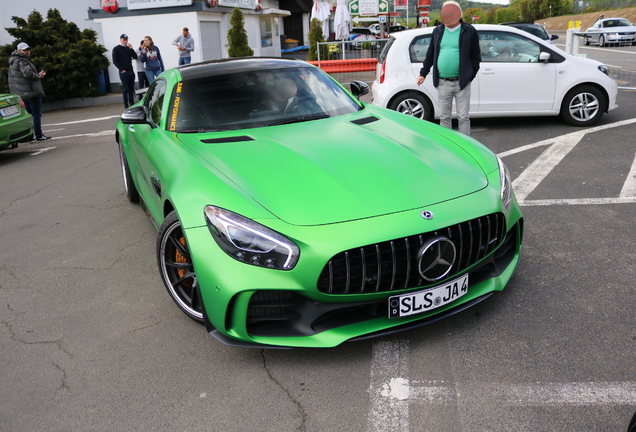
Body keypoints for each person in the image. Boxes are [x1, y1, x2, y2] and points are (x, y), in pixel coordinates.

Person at [417, 1, 480, 136]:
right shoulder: (438, 31)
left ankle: (465, 146)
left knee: (463, 116)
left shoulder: (468, 31)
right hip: (442, 82)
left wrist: (470, 76)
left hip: (462, 82)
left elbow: (476, 56)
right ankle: (448, 147)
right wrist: (423, 73)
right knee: (444, 117)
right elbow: (430, 54)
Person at [8, 42, 50, 141]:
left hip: (21, 94)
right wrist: (40, 76)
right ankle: (39, 135)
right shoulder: (22, 61)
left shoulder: (12, 62)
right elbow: (28, 74)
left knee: (28, 115)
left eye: (28, 50)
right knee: (36, 114)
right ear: (19, 51)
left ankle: (30, 136)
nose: (27, 52)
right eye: (25, 50)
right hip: (30, 92)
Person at [112, 34, 138, 108]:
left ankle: (132, 103)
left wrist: (131, 49)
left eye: (126, 39)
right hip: (124, 71)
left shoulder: (128, 48)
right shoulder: (116, 49)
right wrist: (121, 69)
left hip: (130, 70)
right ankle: (126, 105)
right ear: (121, 40)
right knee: (125, 89)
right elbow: (115, 61)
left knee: (131, 88)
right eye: (124, 39)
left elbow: (135, 56)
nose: (126, 41)